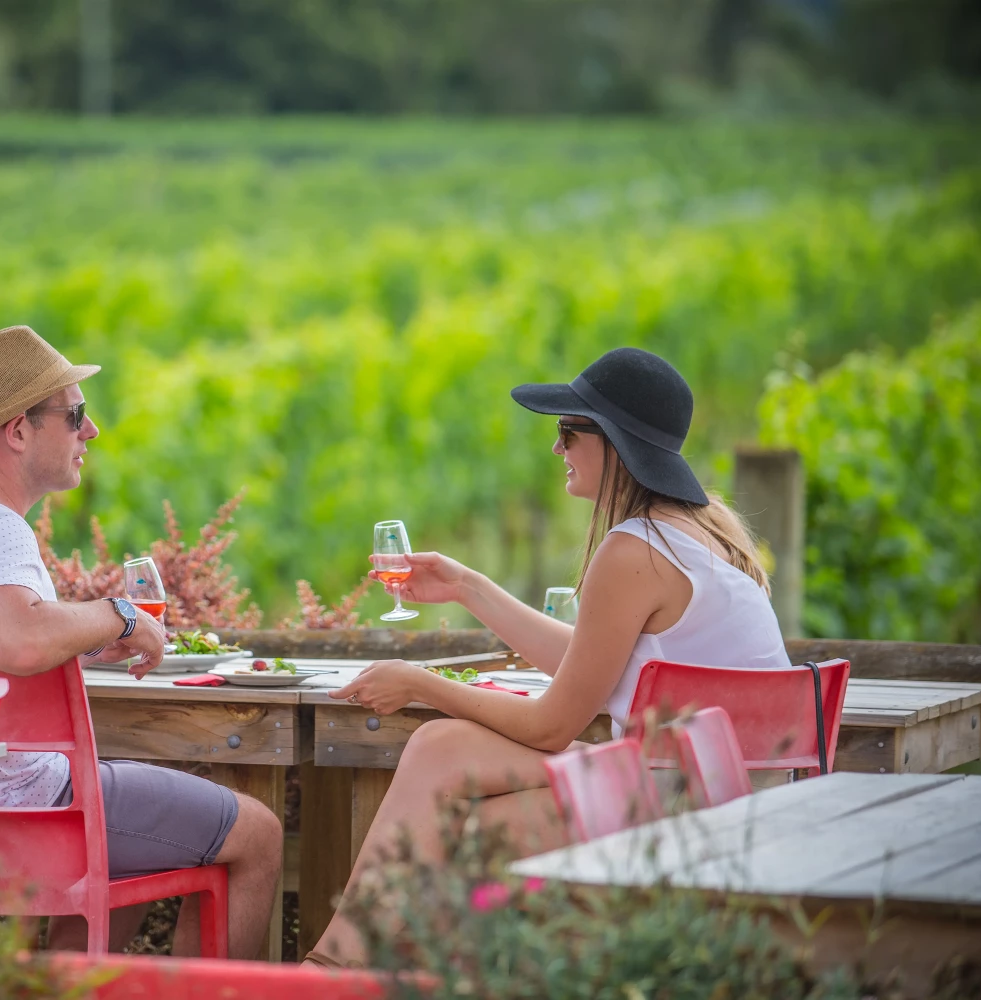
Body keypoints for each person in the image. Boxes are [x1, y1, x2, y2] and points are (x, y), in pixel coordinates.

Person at [306, 347, 790, 968]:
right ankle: (345, 969)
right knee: (438, 753)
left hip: (692, 805)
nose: (557, 449)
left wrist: (421, 682)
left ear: (614, 443)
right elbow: (590, 662)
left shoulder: (633, 548)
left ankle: (338, 973)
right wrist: (466, 587)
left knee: (464, 836)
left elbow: (552, 726)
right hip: (720, 785)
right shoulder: (697, 531)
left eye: (569, 431)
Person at [0, 325, 283, 958]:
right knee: (260, 835)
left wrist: (77, 642)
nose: (92, 432)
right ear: (18, 431)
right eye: (75, 414)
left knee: (121, 829)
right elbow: (16, 640)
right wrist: (120, 615)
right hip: (23, 812)